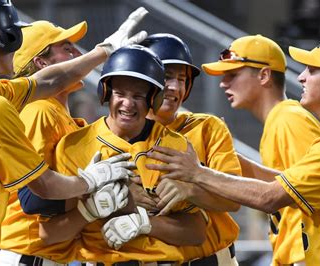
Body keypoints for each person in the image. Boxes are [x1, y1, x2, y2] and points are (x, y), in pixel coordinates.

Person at [0, 0, 147, 264]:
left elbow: (48, 81)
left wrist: (104, 51)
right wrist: (90, 180)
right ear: (3, 37)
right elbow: (43, 186)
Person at [147, 36, 320, 265]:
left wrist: (197, 172)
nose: (300, 77)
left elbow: (272, 198)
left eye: (311, 70)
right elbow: (290, 184)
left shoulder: (301, 123)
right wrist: (223, 157)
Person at [29, 45, 207, 264]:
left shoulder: (176, 145)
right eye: (120, 93)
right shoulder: (73, 146)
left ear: (154, 98)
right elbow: (49, 234)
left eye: (139, 95)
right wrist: (90, 211)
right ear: (106, 93)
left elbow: (196, 232)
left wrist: (144, 222)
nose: (128, 103)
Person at [201, 34, 320, 265]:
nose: (223, 82)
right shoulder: (279, 120)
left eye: (233, 75)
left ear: (264, 75)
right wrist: (229, 157)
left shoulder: (290, 119)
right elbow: (284, 184)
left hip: (305, 256)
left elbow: (311, 194)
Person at [0, 20, 91, 266]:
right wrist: (95, 188)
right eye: (67, 49)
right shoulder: (38, 110)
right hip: (25, 254)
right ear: (42, 62)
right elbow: (34, 198)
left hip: (43, 254)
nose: (78, 54)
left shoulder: (59, 114)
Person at [140, 33, 241, 265]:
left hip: (211, 259)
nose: (175, 87)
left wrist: (191, 190)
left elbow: (234, 200)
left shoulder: (207, 127)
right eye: (166, 77)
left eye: (182, 79)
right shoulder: (118, 135)